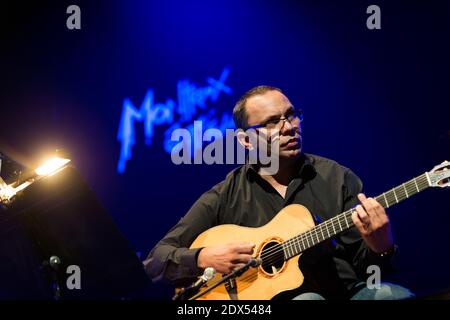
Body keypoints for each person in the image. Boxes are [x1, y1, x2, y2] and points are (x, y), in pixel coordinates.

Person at [143, 85, 414, 300]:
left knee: (397, 295)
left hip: (344, 292)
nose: (289, 127)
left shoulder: (336, 177)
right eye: (272, 122)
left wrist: (381, 247)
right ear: (246, 140)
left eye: (291, 115)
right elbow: (156, 261)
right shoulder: (225, 194)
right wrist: (202, 258)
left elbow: (371, 271)